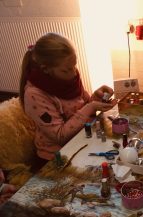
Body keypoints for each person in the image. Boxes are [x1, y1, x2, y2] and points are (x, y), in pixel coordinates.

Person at [19, 33, 117, 161]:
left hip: (82, 140)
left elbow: (83, 105)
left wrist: (97, 98)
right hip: (56, 156)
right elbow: (60, 136)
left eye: (74, 66)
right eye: (66, 70)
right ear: (46, 69)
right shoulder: (34, 95)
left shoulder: (70, 75)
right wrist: (91, 107)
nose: (73, 74)